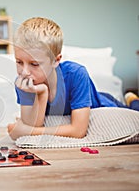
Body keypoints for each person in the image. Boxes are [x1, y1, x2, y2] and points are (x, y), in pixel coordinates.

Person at [7, 17, 139, 140]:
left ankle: (132, 99)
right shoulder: (23, 82)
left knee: (135, 110)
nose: (24, 71)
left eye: (34, 64)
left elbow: (78, 131)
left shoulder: (76, 73)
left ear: (56, 60)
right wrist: (42, 93)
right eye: (19, 62)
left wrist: (28, 132)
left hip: (105, 102)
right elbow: (32, 124)